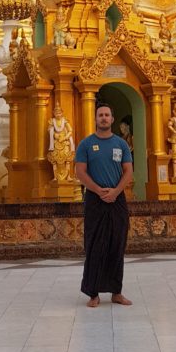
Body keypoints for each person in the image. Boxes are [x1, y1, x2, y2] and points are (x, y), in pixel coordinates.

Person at [75, 103, 133, 308]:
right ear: (95, 118)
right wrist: (98, 190)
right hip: (94, 199)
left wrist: (115, 192)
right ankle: (93, 293)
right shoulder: (86, 144)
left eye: (107, 115)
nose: (104, 118)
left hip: (117, 199)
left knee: (117, 244)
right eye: (100, 115)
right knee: (95, 245)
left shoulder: (121, 144)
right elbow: (80, 172)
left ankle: (116, 292)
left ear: (112, 119)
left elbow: (128, 171)